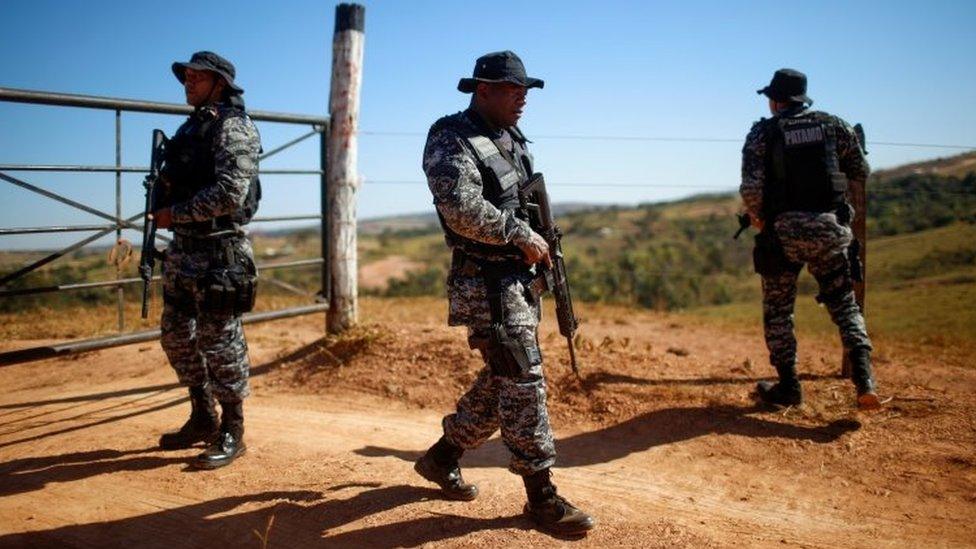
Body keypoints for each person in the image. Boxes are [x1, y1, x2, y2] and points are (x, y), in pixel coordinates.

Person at [414, 51, 595, 537]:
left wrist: (542, 247)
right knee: (522, 378)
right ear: (483, 89)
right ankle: (542, 496)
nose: (523, 100)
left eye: (526, 92)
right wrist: (518, 233)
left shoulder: (509, 137)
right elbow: (459, 207)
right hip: (485, 282)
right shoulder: (451, 136)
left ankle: (442, 456)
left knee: (503, 381)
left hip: (518, 280)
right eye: (514, 91)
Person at [740, 68, 880, 410]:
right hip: (830, 231)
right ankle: (865, 381)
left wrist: (762, 219)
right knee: (845, 305)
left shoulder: (763, 133)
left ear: (775, 100)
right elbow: (861, 171)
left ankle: (789, 387)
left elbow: (751, 189)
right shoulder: (834, 126)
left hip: (782, 234)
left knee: (778, 311)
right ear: (802, 98)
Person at [152, 51, 262, 468]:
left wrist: (173, 214)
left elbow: (230, 194)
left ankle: (233, 427)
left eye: (198, 77)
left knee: (220, 340)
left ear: (220, 83)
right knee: (176, 334)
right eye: (187, 76)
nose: (188, 82)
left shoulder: (234, 127)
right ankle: (202, 414)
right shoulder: (193, 126)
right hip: (184, 250)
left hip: (220, 251)